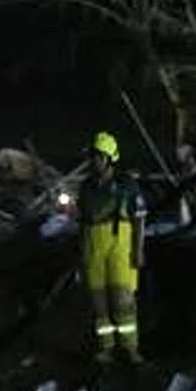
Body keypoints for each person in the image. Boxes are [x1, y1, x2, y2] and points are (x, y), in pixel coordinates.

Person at [77, 131, 146, 363]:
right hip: (93, 245)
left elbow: (139, 218)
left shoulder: (126, 184)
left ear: (108, 157)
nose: (92, 161)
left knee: (122, 301)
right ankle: (106, 348)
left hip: (119, 244)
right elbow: (82, 221)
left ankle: (130, 348)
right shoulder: (87, 186)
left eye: (97, 156)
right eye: (92, 156)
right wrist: (81, 256)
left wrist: (138, 249)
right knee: (99, 303)